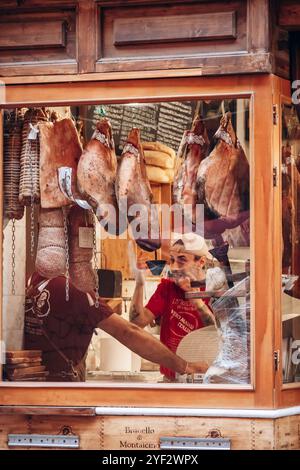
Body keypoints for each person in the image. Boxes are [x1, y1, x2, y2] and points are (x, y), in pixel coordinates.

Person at [24, 271, 206, 382]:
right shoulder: (73, 289)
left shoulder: (36, 278)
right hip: (60, 388)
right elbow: (130, 331)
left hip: (33, 383)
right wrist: (185, 366)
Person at [130, 232, 215, 381]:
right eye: (172, 260)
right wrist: (139, 284)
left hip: (206, 380)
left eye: (182, 260)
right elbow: (137, 323)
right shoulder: (167, 287)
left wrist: (195, 299)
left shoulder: (214, 288)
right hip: (171, 379)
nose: (174, 267)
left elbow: (218, 336)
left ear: (201, 262)